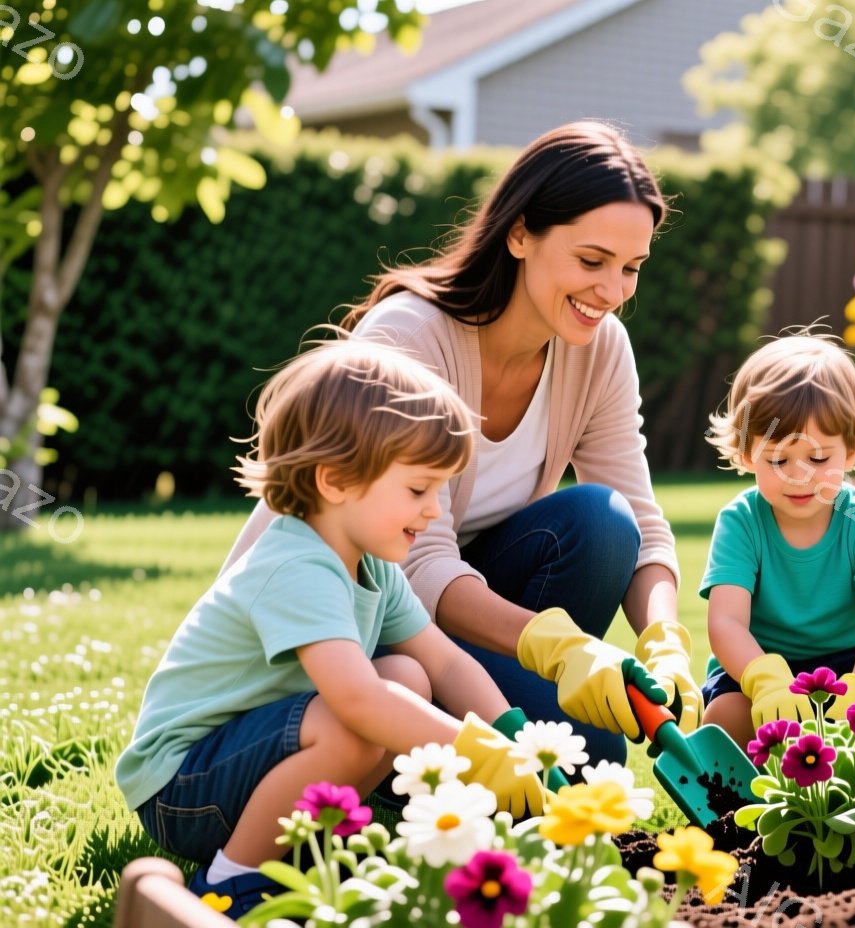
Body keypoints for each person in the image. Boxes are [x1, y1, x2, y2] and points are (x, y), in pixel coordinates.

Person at [223, 123, 698, 767]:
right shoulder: (410, 340)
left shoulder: (598, 347)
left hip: (449, 623)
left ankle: (488, 732)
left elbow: (640, 520)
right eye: (591, 262)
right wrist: (555, 647)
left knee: (602, 524)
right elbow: (414, 565)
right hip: (347, 632)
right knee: (592, 753)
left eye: (631, 268)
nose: (612, 293)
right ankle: (421, 754)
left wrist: (664, 637)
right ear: (521, 233)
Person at [116, 341, 557, 918]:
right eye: (418, 489)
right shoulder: (296, 564)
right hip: (183, 790)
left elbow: (446, 663)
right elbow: (355, 697)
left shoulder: (372, 562)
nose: (433, 511)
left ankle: (300, 848)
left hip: (244, 766)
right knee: (363, 712)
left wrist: (511, 739)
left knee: (406, 672)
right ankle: (232, 881)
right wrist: (473, 754)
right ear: (334, 481)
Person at [700, 333, 855, 744]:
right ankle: (744, 800)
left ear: (851, 452)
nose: (799, 476)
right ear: (746, 454)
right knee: (725, 717)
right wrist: (763, 679)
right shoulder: (741, 522)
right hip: (758, 666)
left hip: (849, 665)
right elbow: (726, 621)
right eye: (778, 460)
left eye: (817, 458)